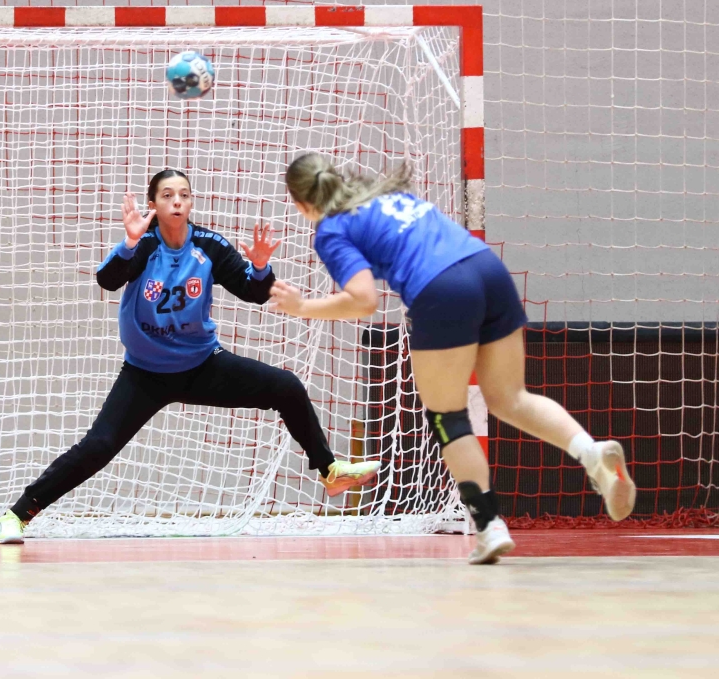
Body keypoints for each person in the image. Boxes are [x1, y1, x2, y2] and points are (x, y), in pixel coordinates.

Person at [271, 152, 636, 564]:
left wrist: (303, 307)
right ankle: (592, 454)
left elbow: (363, 300)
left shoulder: (332, 229)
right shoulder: (385, 195)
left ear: (301, 203)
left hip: (442, 289)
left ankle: (489, 526)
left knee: (448, 416)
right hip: (488, 270)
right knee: (510, 397)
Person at [0, 168, 380, 543]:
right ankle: (17, 515)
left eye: (184, 195)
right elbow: (107, 279)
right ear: (153, 205)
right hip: (144, 374)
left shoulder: (209, 246)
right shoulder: (144, 244)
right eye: (167, 196)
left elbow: (254, 292)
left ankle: (329, 471)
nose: (177, 201)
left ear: (191, 202)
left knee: (286, 386)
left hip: (202, 366)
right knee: (98, 447)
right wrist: (128, 242)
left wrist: (261, 267)